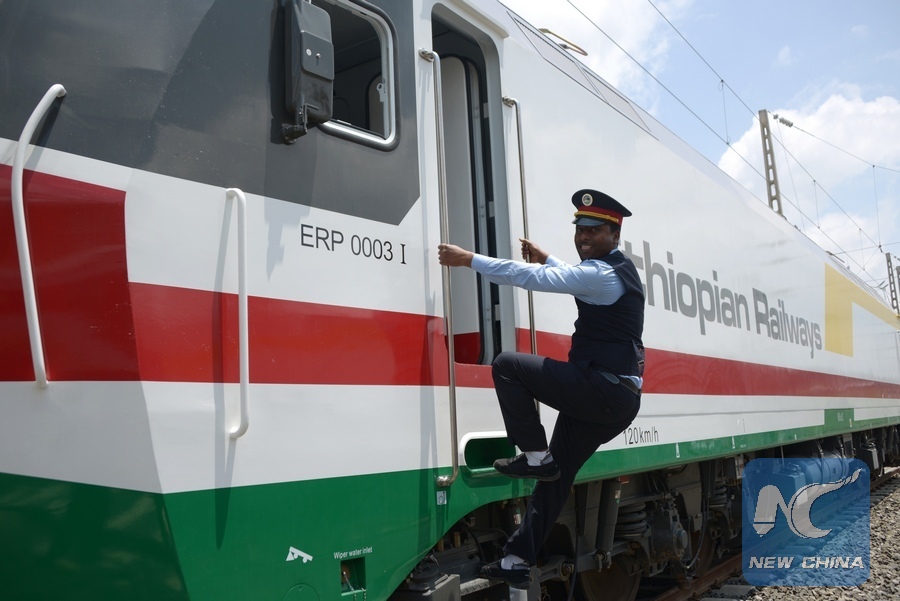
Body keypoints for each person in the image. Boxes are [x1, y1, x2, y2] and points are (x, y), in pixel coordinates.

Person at [437, 189, 645, 589]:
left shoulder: (600, 275)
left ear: (615, 235)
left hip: (602, 389)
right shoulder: (616, 270)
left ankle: (535, 455)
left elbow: (532, 278)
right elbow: (571, 275)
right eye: (580, 229)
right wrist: (547, 257)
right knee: (556, 477)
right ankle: (516, 559)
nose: (584, 236)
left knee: (507, 366)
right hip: (615, 397)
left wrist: (468, 260)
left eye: (594, 230)